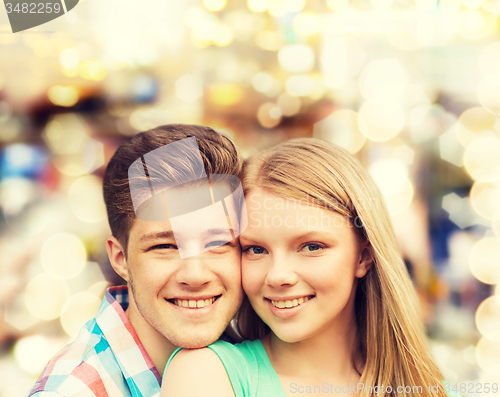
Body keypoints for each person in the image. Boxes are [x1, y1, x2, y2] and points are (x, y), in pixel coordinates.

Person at [162, 138, 451, 397]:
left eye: (312, 247)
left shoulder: (429, 390)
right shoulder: (206, 374)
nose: (278, 276)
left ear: (363, 256)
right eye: (256, 249)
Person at [28, 124, 245, 397]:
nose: (195, 274)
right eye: (165, 246)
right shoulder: (74, 390)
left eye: (217, 243)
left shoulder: (252, 353)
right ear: (120, 259)